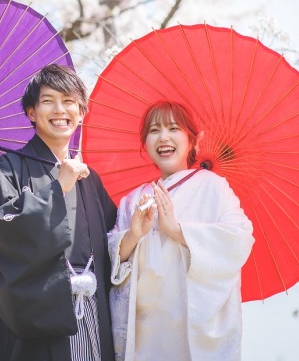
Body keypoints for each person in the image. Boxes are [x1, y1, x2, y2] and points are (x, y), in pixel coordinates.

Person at [0, 64, 117, 361]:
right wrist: (58, 188)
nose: (60, 110)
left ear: (81, 113)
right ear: (31, 112)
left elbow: (110, 241)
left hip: (93, 313)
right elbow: (6, 231)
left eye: (69, 101)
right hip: (43, 317)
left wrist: (135, 232)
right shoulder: (8, 170)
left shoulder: (89, 178)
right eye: (48, 101)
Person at [108, 100, 254, 361]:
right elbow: (111, 257)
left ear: (192, 140)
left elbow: (239, 239)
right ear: (145, 143)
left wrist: (177, 230)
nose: (163, 137)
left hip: (190, 326)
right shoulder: (133, 200)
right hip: (145, 330)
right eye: (154, 130)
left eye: (173, 128)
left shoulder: (213, 187)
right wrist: (133, 235)